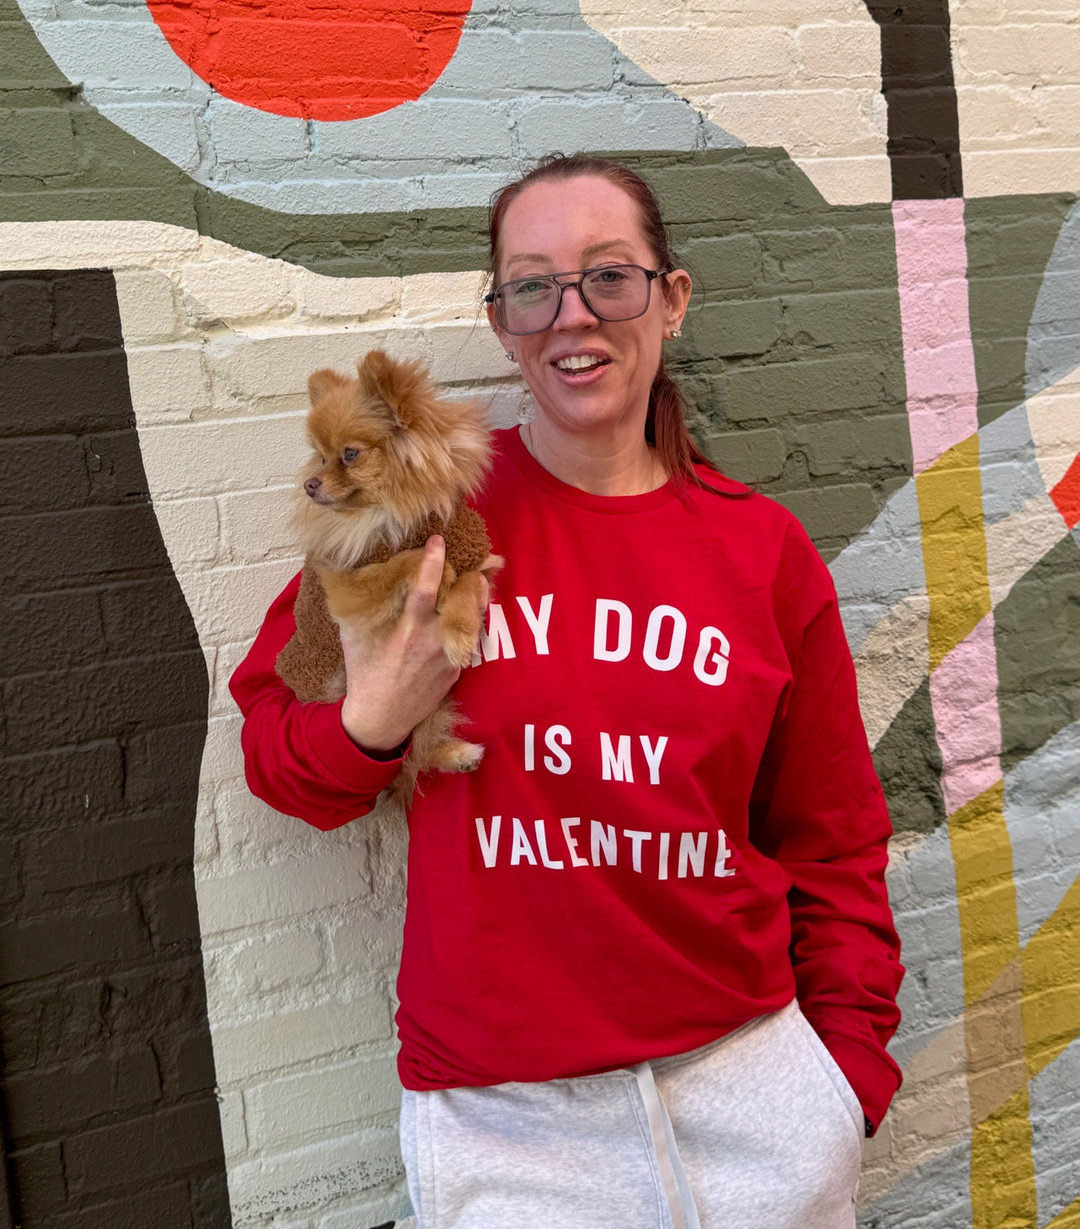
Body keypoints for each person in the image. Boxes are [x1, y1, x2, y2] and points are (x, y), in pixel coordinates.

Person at [232, 155, 903, 1229]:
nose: (572, 314)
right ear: (501, 322)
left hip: (753, 1084)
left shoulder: (764, 552)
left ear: (671, 300)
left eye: (609, 276)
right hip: (507, 1121)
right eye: (533, 286)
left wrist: (843, 1080)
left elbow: (833, 839)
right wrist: (373, 723)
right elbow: (280, 760)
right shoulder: (423, 516)